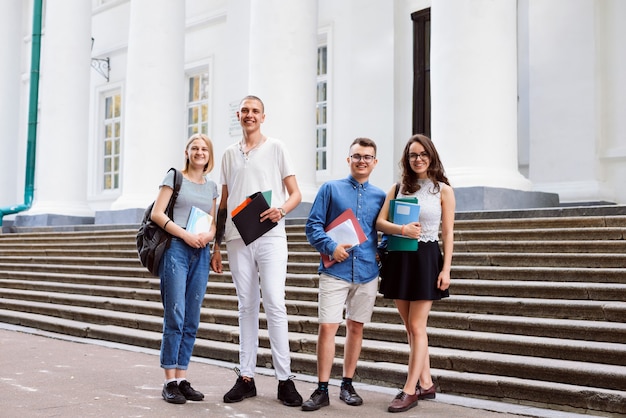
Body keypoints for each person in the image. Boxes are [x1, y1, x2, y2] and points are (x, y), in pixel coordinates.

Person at [210, 95, 303, 407]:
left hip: (271, 235)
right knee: (246, 307)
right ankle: (246, 377)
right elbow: (223, 202)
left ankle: (285, 379)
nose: (249, 115)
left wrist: (281, 211)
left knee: (275, 303)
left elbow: (295, 193)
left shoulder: (276, 147)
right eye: (245, 111)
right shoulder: (227, 154)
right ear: (238, 115)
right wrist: (216, 245)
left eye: (255, 111)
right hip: (237, 238)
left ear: (263, 117)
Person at [302, 138, 386, 412]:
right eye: (357, 156)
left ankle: (347, 384)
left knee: (356, 327)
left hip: (367, 272)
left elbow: (383, 231)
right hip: (334, 270)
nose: (362, 161)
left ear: (375, 162)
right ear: (348, 159)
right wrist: (331, 247)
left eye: (367, 157)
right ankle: (322, 388)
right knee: (328, 326)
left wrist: (380, 252)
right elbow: (312, 225)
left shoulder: (380, 196)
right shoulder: (330, 189)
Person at [376, 134, 455, 413]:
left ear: (431, 156)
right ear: (407, 159)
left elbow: (448, 232)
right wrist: (402, 230)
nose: (418, 159)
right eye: (412, 155)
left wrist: (446, 269)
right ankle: (427, 381)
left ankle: (410, 390)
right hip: (399, 257)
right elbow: (380, 222)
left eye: (423, 154)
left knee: (418, 326)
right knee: (410, 326)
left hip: (426, 258)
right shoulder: (398, 187)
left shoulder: (443, 190)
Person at [150, 133, 219, 404]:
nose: (200, 152)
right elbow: (158, 213)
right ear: (187, 152)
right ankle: (168, 381)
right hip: (176, 250)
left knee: (191, 318)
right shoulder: (174, 178)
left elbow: (212, 222)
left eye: (204, 149)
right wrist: (184, 235)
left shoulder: (211, 186)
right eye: (195, 148)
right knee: (175, 316)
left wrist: (208, 237)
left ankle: (181, 377)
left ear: (209, 155)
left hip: (200, 253)